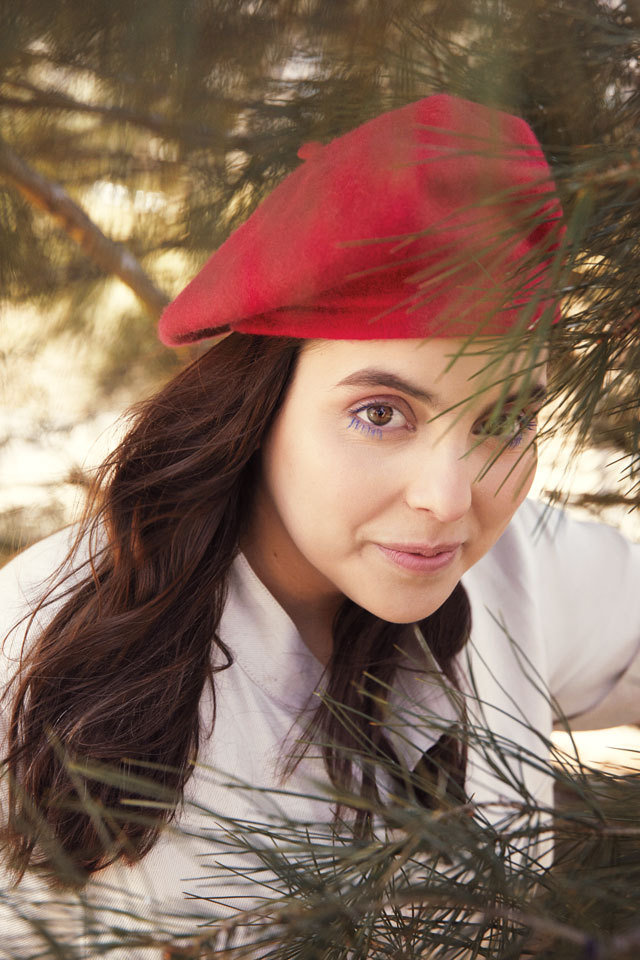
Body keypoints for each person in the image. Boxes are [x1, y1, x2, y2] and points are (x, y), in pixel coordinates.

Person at [1, 93, 639, 957]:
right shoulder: (34, 640)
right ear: (258, 408)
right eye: (381, 414)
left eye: (503, 419)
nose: (450, 501)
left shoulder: (521, 573)